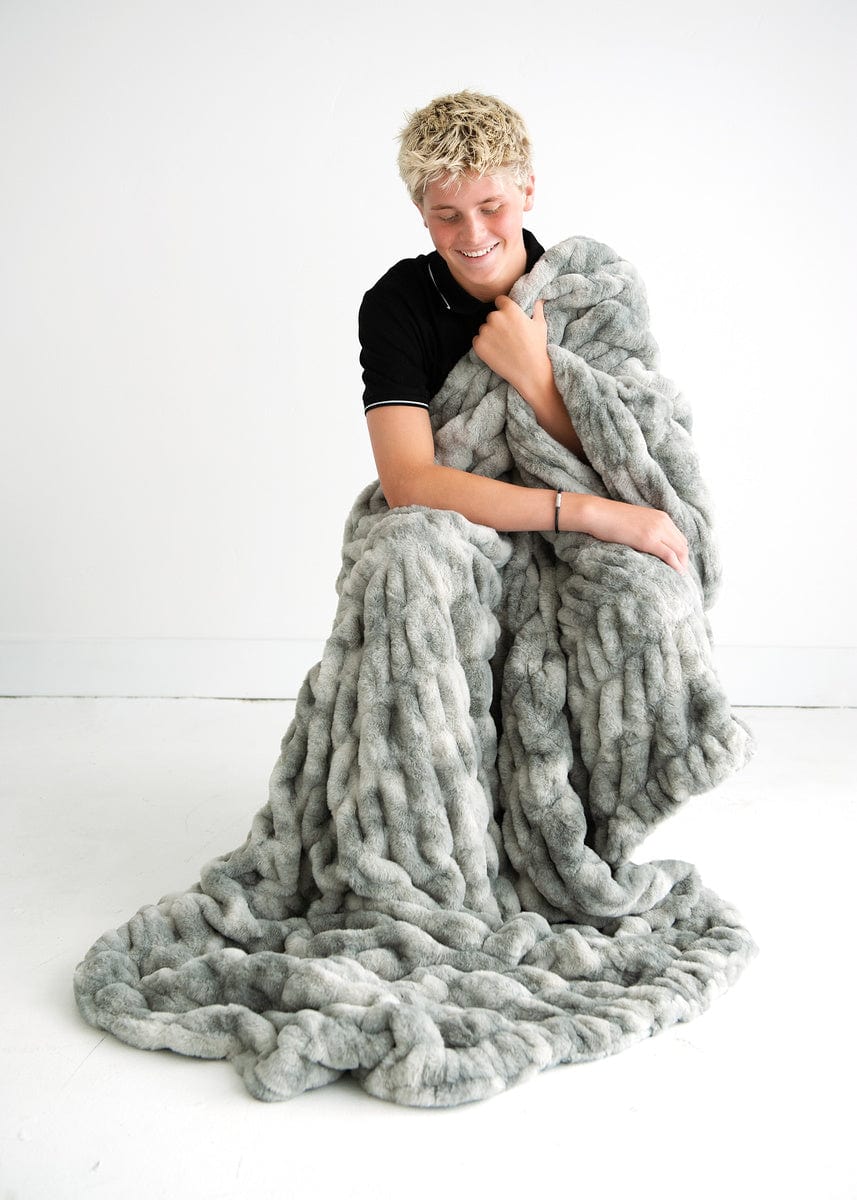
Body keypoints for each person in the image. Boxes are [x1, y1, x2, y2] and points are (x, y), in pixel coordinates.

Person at [358, 90, 688, 576]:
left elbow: (637, 465)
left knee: (650, 591)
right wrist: (582, 512)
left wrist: (533, 375)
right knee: (406, 558)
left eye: (491, 207)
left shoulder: (591, 293)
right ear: (419, 208)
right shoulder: (397, 303)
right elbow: (409, 483)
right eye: (447, 216)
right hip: (461, 534)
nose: (473, 235)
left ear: (528, 191)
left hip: (587, 540)